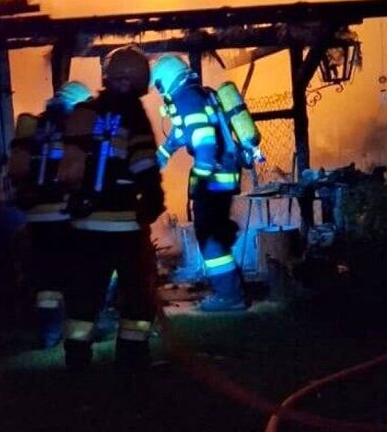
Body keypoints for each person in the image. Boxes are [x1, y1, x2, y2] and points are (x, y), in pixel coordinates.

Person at [57, 45, 164, 369]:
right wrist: (154, 199)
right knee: (136, 297)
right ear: (140, 79)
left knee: (84, 296)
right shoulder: (132, 113)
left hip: (84, 224)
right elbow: (144, 163)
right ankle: (132, 359)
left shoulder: (85, 112)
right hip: (123, 225)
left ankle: (77, 359)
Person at [150, 55, 262, 312]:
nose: (159, 90)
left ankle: (229, 295)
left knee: (209, 236)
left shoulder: (186, 98)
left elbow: (204, 139)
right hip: (222, 175)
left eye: (158, 84)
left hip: (213, 180)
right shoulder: (196, 94)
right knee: (214, 233)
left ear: (166, 80)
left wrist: (201, 178)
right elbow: (183, 133)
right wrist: (161, 156)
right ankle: (231, 289)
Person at [7, 80, 94, 347]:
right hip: (65, 215)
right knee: (77, 273)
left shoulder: (34, 127)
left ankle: (49, 333)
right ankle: (80, 333)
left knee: (46, 280)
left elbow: (16, 171)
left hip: (36, 218)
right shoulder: (75, 127)